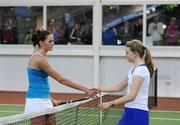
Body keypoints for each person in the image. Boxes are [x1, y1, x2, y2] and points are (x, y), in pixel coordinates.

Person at [25, 30, 97, 125]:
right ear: (41, 43)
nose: (53, 44)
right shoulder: (39, 59)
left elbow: (39, 82)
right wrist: (86, 89)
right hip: (36, 102)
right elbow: (62, 80)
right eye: (50, 41)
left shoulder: (40, 57)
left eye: (53, 41)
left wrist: (51, 100)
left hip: (46, 99)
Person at [97, 39, 155, 125]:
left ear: (135, 54)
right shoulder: (133, 70)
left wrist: (110, 103)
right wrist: (99, 89)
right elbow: (119, 86)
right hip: (129, 111)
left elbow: (131, 96)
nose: (125, 55)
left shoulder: (141, 71)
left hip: (138, 113)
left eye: (127, 52)